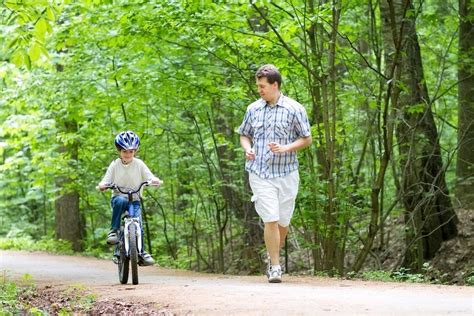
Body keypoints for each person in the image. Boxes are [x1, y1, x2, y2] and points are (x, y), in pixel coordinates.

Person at [238, 64, 312, 283]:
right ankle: (276, 267)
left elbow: (307, 138)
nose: (259, 90)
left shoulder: (294, 108)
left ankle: (272, 256)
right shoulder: (253, 109)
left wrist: (286, 147)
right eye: (258, 86)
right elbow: (243, 135)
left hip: (287, 172)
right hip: (259, 172)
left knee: (283, 221)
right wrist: (247, 148)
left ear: (275, 85)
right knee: (270, 217)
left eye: (262, 86)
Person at [97, 130, 162, 266]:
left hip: (135, 201)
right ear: (119, 151)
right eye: (124, 151)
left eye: (131, 151)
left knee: (138, 224)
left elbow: (149, 176)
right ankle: (113, 231)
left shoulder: (139, 164)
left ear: (135, 151)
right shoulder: (115, 165)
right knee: (120, 200)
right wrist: (103, 185)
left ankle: (141, 252)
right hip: (118, 199)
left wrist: (154, 180)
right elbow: (106, 179)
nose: (128, 154)